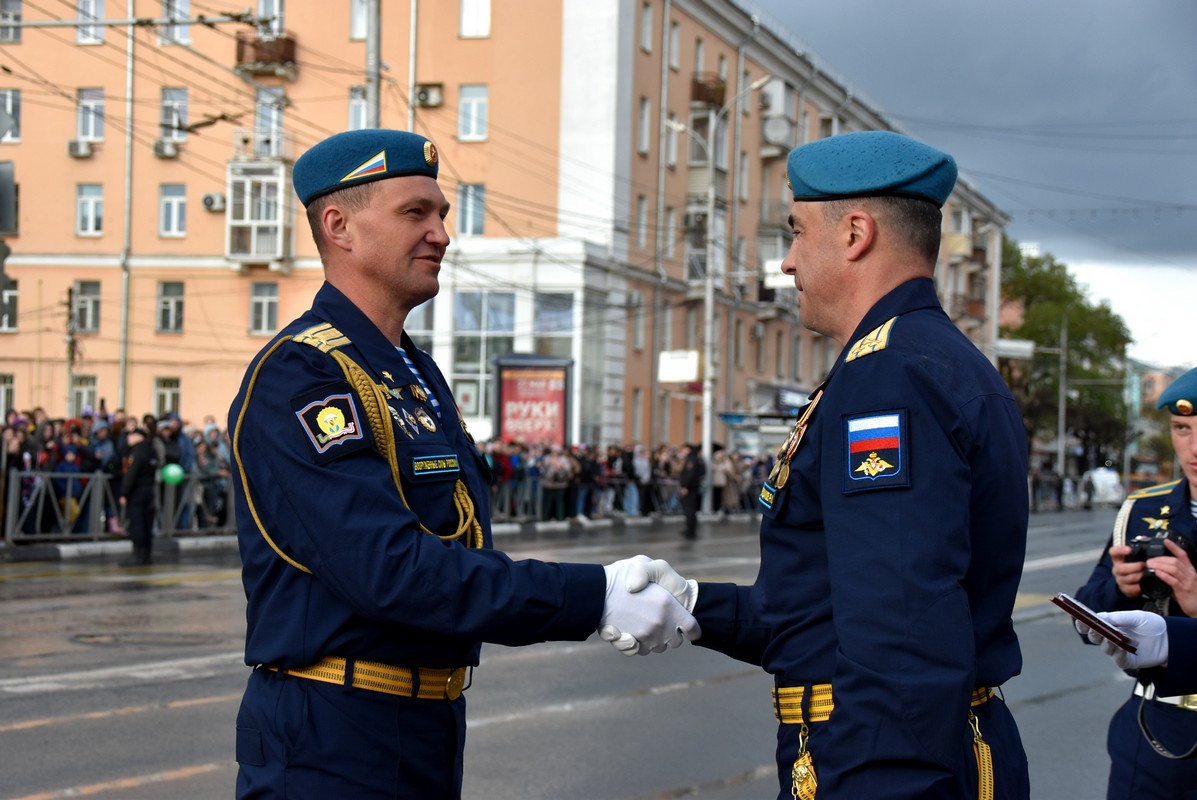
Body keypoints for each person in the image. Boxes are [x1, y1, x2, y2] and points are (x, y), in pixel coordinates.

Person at [226, 128, 698, 800]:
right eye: (415, 213)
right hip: (331, 735)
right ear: (340, 227)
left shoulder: (410, 372)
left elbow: (457, 538)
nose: (441, 234)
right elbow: (390, 570)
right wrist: (590, 597)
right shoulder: (303, 374)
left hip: (425, 724)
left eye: (441, 214)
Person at [632, 132, 1031, 798]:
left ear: (853, 233)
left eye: (794, 232)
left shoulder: (888, 378)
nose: (786, 262)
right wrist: (697, 606)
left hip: (882, 764)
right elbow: (837, 605)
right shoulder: (928, 359)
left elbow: (898, 635)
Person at [1074, 366, 1197, 798]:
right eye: (1182, 428)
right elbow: (1088, 616)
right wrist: (1120, 590)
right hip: (1153, 731)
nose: (1193, 446)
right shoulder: (1144, 509)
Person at [118, 426, 159, 566]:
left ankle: (138, 554)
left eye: (131, 435)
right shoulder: (151, 451)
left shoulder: (136, 452)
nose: (128, 438)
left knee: (137, 524)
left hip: (137, 493)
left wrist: (124, 493)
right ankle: (146, 555)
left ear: (138, 437)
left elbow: (131, 475)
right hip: (149, 492)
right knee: (147, 524)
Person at [677, 443, 704, 540]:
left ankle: (690, 529)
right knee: (691, 509)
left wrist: (685, 486)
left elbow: (689, 475)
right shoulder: (696, 459)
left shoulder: (692, 460)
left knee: (689, 510)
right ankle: (690, 528)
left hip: (690, 489)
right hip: (693, 488)